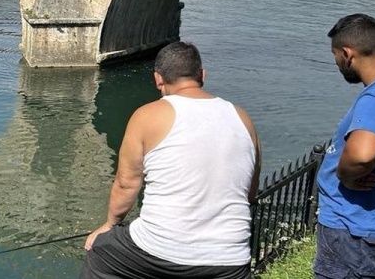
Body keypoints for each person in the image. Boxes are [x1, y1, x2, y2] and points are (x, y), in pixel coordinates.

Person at [81, 41, 261, 279]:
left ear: (158, 79)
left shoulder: (147, 115)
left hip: (161, 250)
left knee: (101, 255)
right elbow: (250, 192)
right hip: (230, 258)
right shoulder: (243, 118)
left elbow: (127, 184)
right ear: (202, 76)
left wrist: (110, 225)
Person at [315, 14, 375, 278]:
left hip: (353, 232)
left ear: (348, 54)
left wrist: (344, 175)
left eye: (335, 55)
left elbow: (362, 155)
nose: (336, 62)